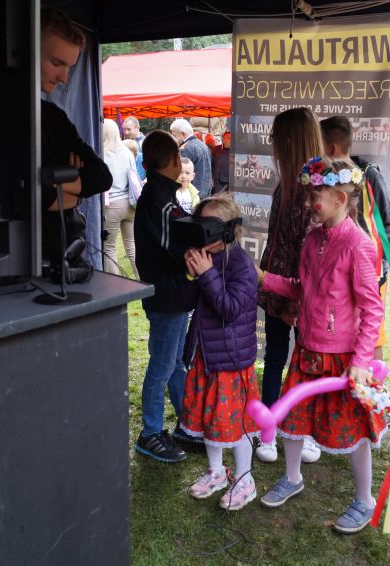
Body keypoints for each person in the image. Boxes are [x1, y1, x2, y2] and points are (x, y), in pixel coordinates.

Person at [256, 157, 387, 535]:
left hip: (343, 359)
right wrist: (264, 278)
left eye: (316, 196)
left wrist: (361, 359)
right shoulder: (312, 239)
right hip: (307, 349)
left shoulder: (358, 245)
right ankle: (292, 478)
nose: (308, 202)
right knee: (294, 420)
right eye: (308, 194)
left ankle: (364, 500)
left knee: (354, 430)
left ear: (341, 199)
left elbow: (372, 308)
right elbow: (303, 288)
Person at [179, 195, 260, 510]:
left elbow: (229, 309)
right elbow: (190, 302)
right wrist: (191, 275)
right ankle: (216, 472)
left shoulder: (241, 265)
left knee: (237, 423)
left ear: (227, 231)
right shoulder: (204, 257)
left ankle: (245, 479)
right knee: (208, 417)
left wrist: (205, 274)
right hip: (206, 356)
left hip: (231, 361)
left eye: (208, 227)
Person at [255, 107, 324, 465]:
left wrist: (299, 301)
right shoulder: (285, 184)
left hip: (305, 292)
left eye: (276, 139)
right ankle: (268, 427)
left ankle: (307, 430)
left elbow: (316, 254)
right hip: (276, 287)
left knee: (308, 361)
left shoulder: (316, 191)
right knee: (275, 355)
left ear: (289, 141)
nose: (272, 145)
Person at [133, 130, 198, 463]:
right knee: (162, 365)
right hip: (167, 295)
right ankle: (150, 433)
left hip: (174, 293)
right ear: (174, 160)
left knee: (174, 363)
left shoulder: (161, 196)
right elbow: (178, 242)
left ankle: (187, 423)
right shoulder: (157, 200)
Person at [320, 115, 390, 361]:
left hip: (369, 274)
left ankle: (372, 381)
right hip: (334, 275)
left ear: (331, 148)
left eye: (318, 145)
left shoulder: (368, 174)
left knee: (372, 334)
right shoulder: (322, 178)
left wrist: (377, 265)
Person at [39, 6, 111, 266]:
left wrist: (50, 185)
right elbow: (28, 198)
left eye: (69, 67)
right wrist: (74, 186)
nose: (64, 78)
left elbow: (102, 177)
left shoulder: (54, 117)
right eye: (56, 63)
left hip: (63, 258)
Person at [101, 119, 139, 277]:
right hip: (130, 204)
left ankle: (115, 284)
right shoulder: (127, 152)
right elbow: (134, 177)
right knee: (132, 246)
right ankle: (142, 279)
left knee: (109, 248)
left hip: (111, 205)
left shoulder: (102, 154)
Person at [171, 119, 213, 199]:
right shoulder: (204, 146)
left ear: (182, 134)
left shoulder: (185, 149)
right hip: (206, 194)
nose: (173, 139)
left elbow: (178, 174)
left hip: (191, 196)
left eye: (174, 135)